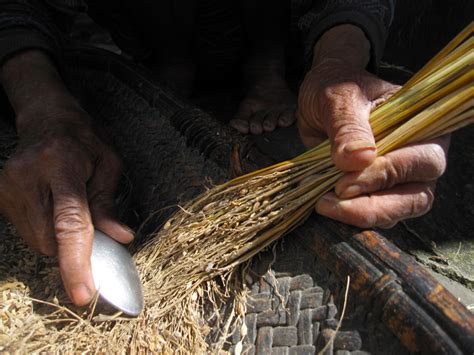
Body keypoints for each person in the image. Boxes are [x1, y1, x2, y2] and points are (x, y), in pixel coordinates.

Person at [0, 0, 449, 307]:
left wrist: (338, 62)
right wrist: (43, 110)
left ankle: (266, 66)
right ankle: (174, 60)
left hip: (280, 30)